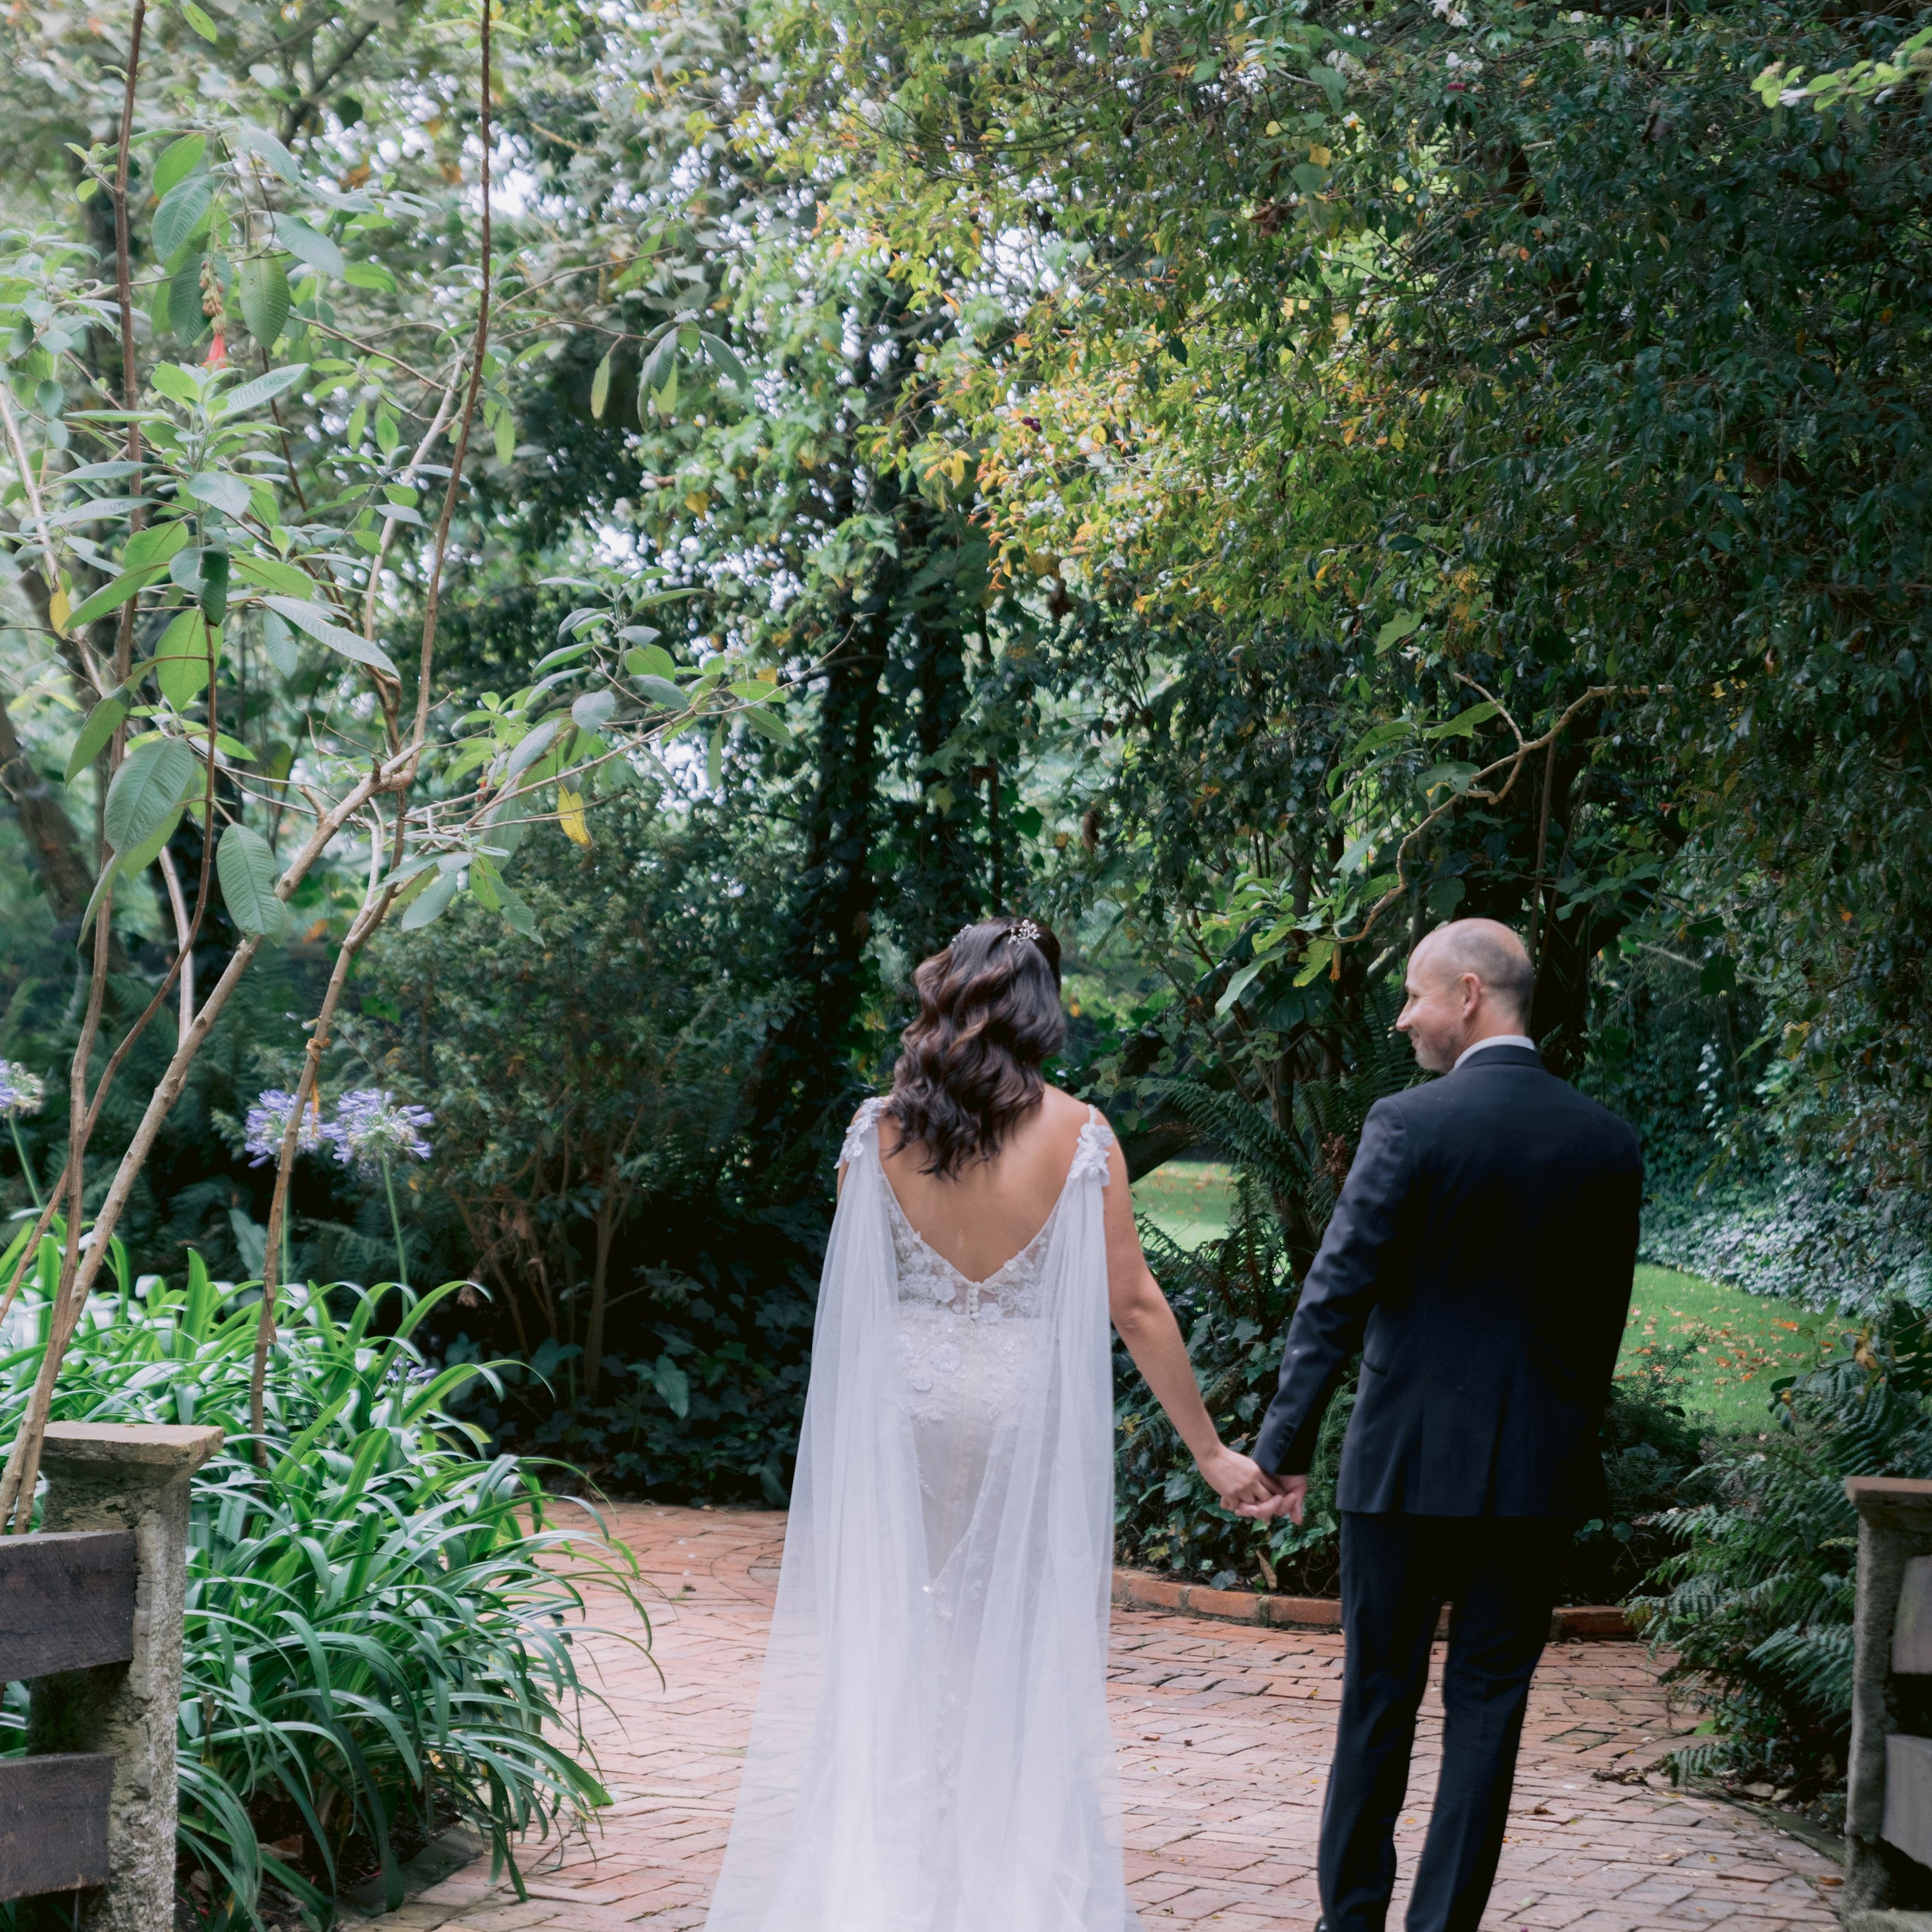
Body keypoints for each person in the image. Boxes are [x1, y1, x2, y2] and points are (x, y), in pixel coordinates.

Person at [704, 915, 1277, 1932]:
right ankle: (1002, 1885)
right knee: (1010, 1653)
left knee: (901, 1645)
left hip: (909, 1415)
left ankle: (890, 1882)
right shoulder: (1081, 1133)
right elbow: (1135, 1304)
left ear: (943, 999)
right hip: (1018, 1419)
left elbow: (855, 1291)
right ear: (1043, 1009)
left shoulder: (879, 1129)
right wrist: (1210, 1450)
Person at [1237, 918, 1643, 1932]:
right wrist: (1558, 1442)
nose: (1404, 1017)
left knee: (1376, 1704)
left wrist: (1281, 1450)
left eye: (1415, 996)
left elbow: (1336, 1296)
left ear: (1470, 993)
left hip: (1403, 1471)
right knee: (1487, 1718)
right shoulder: (1607, 1141)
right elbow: (1600, 1330)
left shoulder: (1409, 1125)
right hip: (1531, 1480)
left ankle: (1353, 1923)